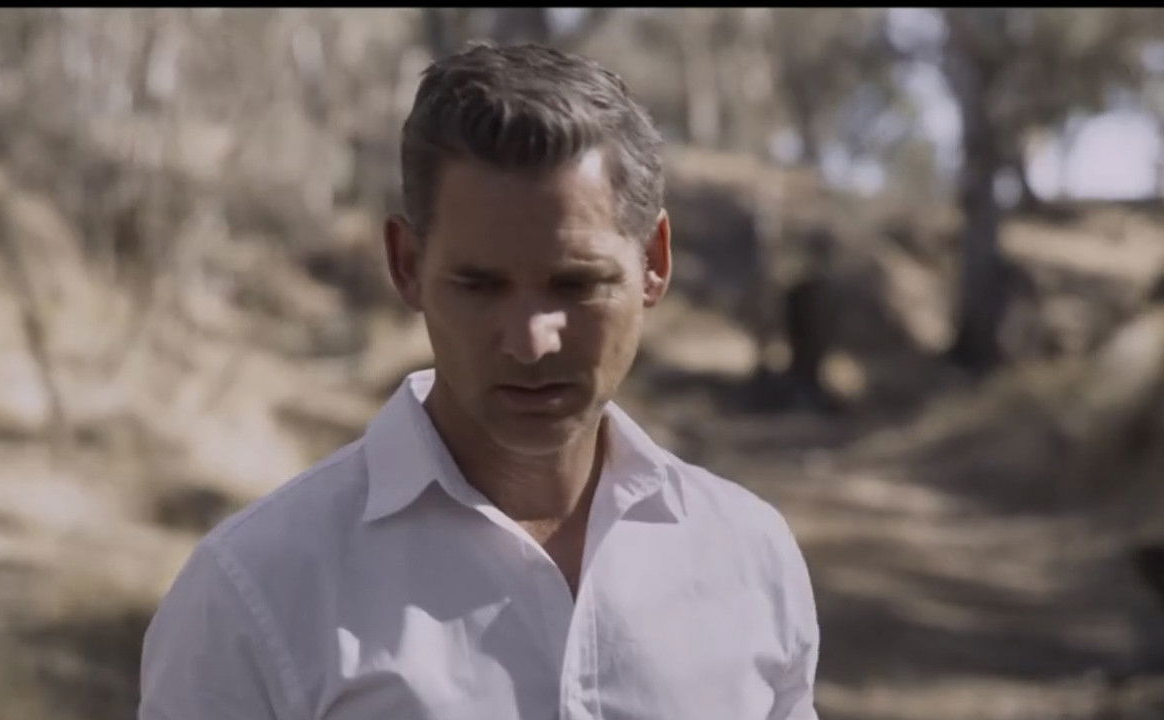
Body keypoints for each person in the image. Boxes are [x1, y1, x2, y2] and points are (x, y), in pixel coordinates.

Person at [139, 42, 820, 720]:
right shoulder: (256, 590)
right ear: (406, 265)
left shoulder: (749, 556)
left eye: (576, 284)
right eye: (480, 286)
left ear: (654, 262)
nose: (530, 341)